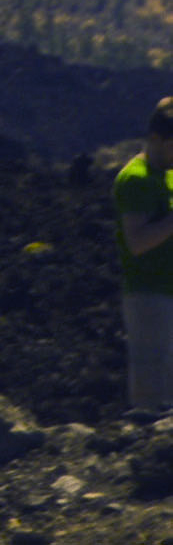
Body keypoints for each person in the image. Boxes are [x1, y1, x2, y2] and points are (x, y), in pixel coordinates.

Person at [118, 98, 173, 414]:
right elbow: (136, 241)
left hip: (167, 290)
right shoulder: (136, 179)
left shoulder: (167, 175)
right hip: (148, 294)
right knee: (152, 395)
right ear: (155, 139)